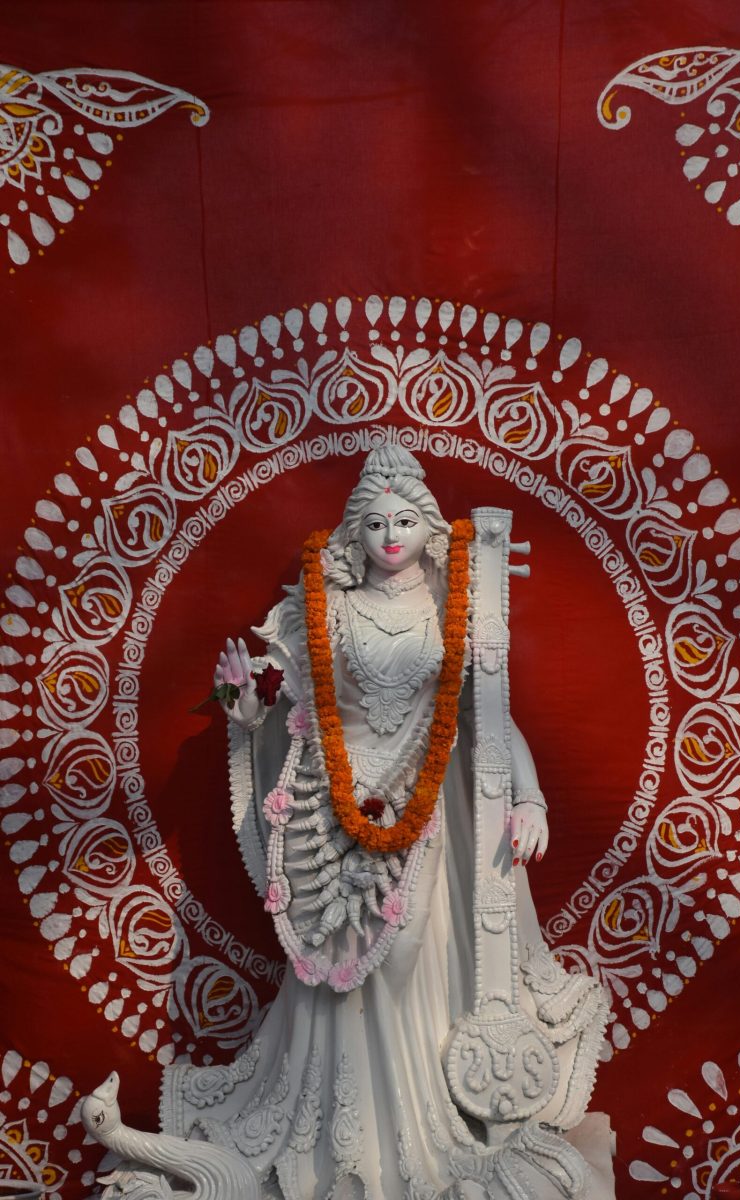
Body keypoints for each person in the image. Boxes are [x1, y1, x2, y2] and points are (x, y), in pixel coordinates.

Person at [158, 446, 611, 1200]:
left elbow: (487, 720)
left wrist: (529, 798)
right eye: (374, 522)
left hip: (420, 810)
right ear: (353, 533)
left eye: (405, 520)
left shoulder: (449, 605)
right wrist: (241, 708)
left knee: (403, 962)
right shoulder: (322, 606)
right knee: (330, 976)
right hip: (326, 809)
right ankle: (345, 1137)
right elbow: (280, 710)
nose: (391, 535)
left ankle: (417, 1129)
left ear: (427, 528)